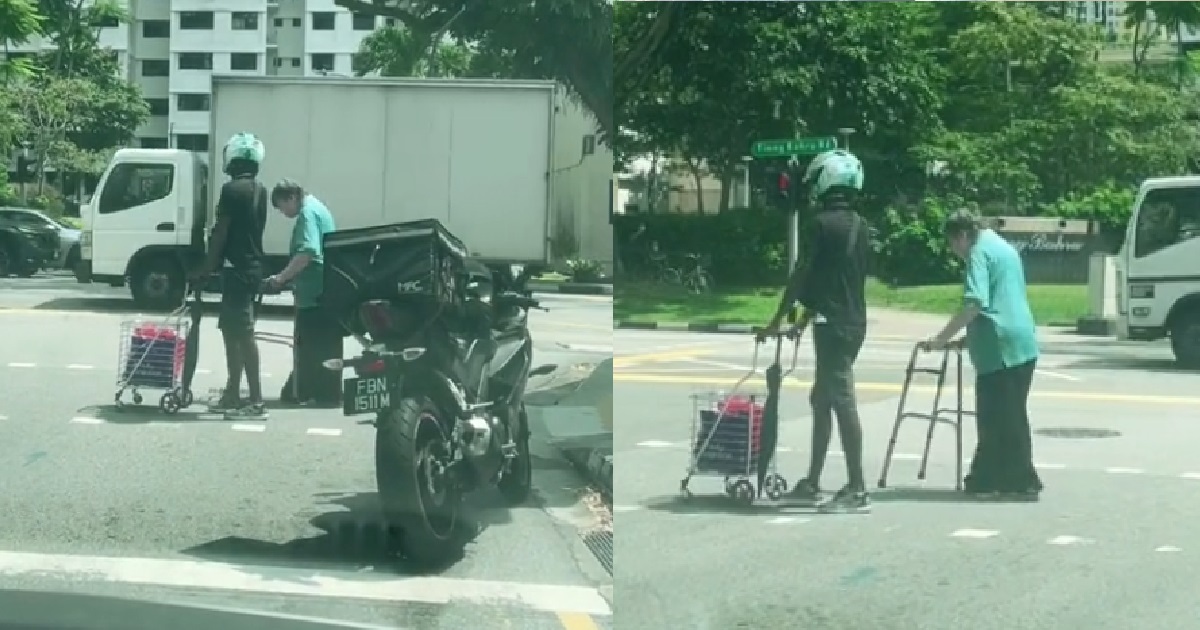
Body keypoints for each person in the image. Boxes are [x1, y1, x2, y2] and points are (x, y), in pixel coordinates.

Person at [758, 149, 872, 514]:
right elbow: (836, 281)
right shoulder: (861, 225)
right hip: (853, 322)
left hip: (833, 328)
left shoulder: (820, 223)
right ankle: (812, 482)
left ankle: (857, 488)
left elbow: (804, 273)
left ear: (826, 179)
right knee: (821, 400)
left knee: (841, 400)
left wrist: (778, 319)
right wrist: (804, 320)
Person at [920, 209, 1042, 500]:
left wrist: (940, 339)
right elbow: (1002, 298)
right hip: (1021, 340)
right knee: (1008, 415)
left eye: (953, 244)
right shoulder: (1002, 247)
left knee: (996, 418)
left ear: (962, 235)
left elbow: (974, 303)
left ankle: (1017, 480)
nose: (955, 252)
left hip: (1000, 348)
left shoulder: (978, 253)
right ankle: (992, 478)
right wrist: (968, 338)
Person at [190, 132, 269, 420]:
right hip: (251, 268)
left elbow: (221, 233)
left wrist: (205, 269)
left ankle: (255, 400)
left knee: (243, 334)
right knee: (233, 332)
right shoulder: (260, 190)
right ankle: (233, 392)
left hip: (237, 271)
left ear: (232, 160)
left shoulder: (232, 191)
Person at [265, 179, 340, 408]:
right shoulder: (317, 207)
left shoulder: (307, 214)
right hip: (324, 288)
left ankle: (305, 391)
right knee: (325, 344)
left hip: (314, 293)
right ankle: (325, 392)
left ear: (292, 198)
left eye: (281, 206)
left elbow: (307, 251)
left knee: (308, 345)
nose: (282, 212)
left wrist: (281, 278)